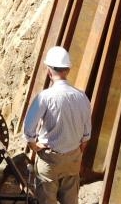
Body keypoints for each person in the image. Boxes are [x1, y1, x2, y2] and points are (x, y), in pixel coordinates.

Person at [23, 46, 91, 204]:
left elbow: (28, 130)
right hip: (73, 157)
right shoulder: (82, 97)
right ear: (67, 70)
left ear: (48, 71)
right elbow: (86, 135)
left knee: (47, 199)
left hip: (49, 159)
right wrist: (75, 152)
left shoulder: (45, 97)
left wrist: (35, 146)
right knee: (70, 199)